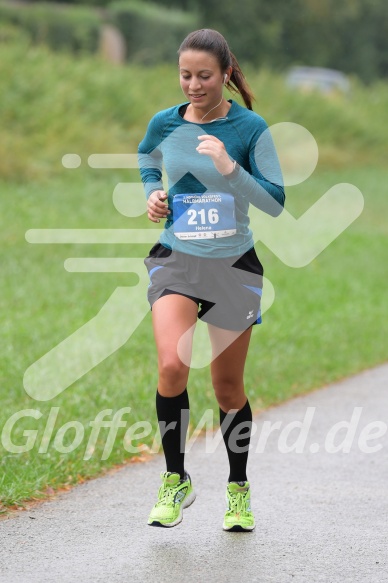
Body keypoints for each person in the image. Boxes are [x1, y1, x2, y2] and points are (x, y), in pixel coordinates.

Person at [138, 28, 285, 531]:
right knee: (171, 367)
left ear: (225, 74)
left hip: (233, 267)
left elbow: (274, 201)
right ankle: (175, 478)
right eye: (185, 75)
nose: (194, 86)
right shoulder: (165, 123)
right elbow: (146, 157)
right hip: (177, 260)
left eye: (204, 76)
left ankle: (238, 488)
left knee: (227, 389)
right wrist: (153, 193)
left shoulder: (250, 128)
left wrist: (229, 167)